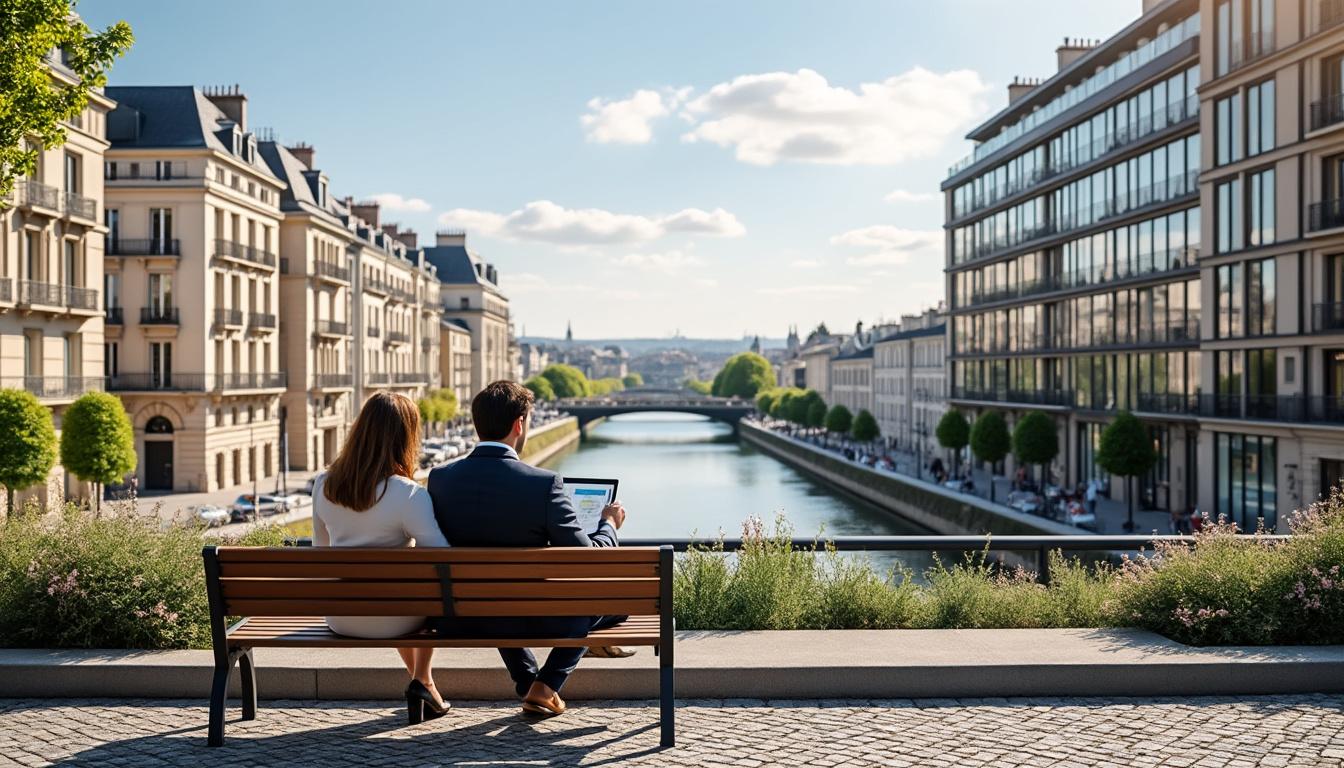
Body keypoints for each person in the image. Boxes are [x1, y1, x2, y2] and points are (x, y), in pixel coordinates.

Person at [427, 380, 629, 719]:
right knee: (608, 601)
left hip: (459, 616)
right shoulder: (544, 484)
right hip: (528, 615)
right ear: (519, 424)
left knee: (496, 596)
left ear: (476, 423)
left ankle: (527, 682)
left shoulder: (440, 478)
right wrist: (609, 524)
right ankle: (545, 686)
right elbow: (589, 559)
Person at [311, 391, 451, 723]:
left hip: (341, 618)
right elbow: (443, 558)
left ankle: (425, 684)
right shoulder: (409, 494)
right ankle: (422, 680)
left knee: (399, 590)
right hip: (395, 619)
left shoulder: (323, 485)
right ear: (406, 437)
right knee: (429, 588)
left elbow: (320, 553)